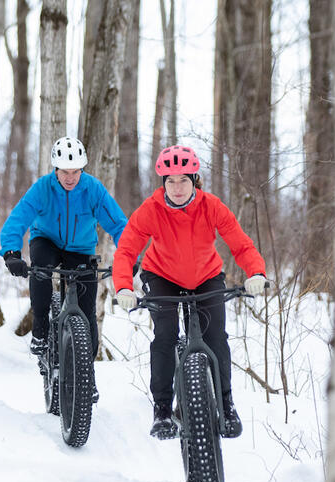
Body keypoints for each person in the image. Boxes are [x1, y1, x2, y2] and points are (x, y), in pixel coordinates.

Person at [112, 145, 267, 439]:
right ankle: (161, 411)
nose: (177, 187)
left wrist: (256, 272)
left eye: (183, 180)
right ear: (163, 183)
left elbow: (240, 244)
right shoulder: (151, 209)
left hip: (206, 276)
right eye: (170, 181)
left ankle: (226, 404)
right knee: (165, 336)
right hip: (162, 276)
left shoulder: (212, 206)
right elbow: (127, 249)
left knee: (216, 337)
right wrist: (123, 285)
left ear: (194, 179)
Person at [0, 136, 128, 398]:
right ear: (55, 170)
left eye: (76, 172)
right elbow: (18, 218)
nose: (70, 178)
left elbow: (119, 224)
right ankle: (40, 330)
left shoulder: (93, 189)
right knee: (42, 269)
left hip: (80, 248)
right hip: (45, 240)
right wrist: (11, 252)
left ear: (83, 170)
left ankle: (87, 375)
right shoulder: (42, 188)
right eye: (65, 172)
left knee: (87, 311)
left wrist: (129, 254)